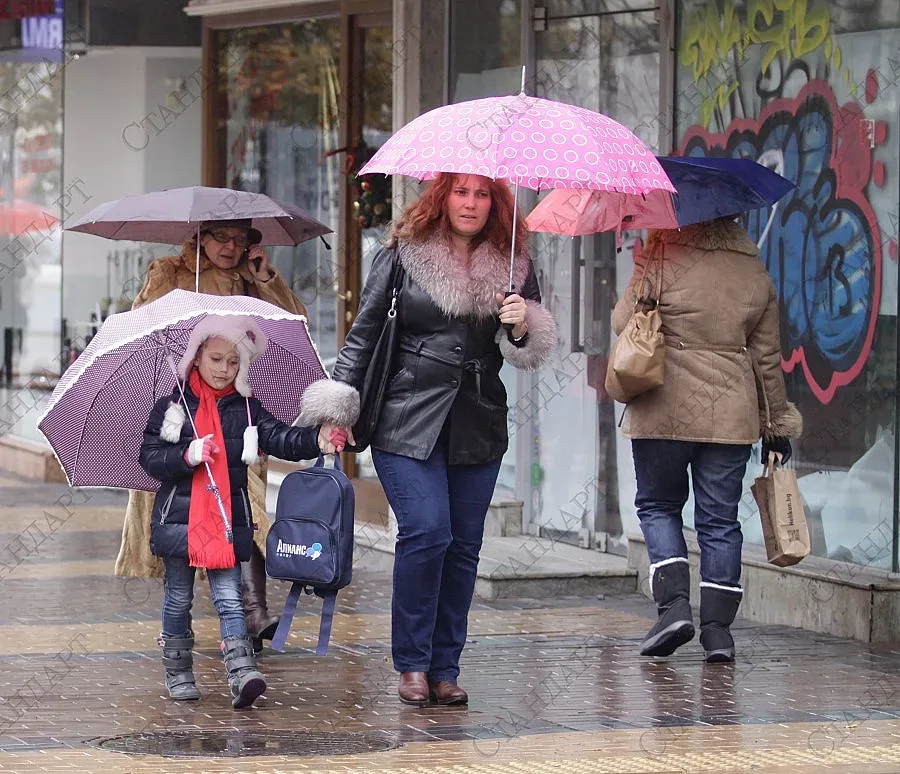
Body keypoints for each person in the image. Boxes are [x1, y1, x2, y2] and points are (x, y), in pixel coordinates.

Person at [298, 173, 557, 705]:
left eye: (482, 194)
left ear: (495, 203)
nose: (471, 203)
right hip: (405, 415)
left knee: (463, 547)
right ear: (443, 198)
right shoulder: (402, 254)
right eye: (461, 192)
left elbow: (525, 347)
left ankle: (445, 667)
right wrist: (338, 407)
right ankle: (412, 662)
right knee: (427, 531)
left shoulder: (515, 262)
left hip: (477, 420)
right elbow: (364, 332)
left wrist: (521, 321)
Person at [612, 216, 802, 663]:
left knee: (659, 506)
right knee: (719, 521)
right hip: (730, 416)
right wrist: (775, 424)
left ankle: (674, 607)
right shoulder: (753, 270)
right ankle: (718, 632)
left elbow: (624, 321)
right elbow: (767, 358)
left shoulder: (660, 256)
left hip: (662, 405)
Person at [116, 219, 307, 651]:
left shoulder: (252, 280)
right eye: (222, 237)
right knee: (181, 519)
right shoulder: (169, 271)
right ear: (201, 238)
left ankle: (251, 611)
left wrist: (267, 282)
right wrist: (185, 306)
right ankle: (177, 623)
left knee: (244, 504)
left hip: (235, 410)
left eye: (240, 240)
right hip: (182, 412)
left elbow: (295, 322)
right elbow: (143, 326)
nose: (231, 247)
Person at [140, 315, 330, 707]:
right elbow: (150, 456)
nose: (224, 369)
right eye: (216, 359)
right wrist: (188, 453)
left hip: (226, 520)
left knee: (229, 595)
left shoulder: (246, 409)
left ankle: (242, 672)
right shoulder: (174, 407)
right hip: (181, 520)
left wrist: (317, 438)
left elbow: (281, 437)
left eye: (233, 362)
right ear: (196, 358)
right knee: (178, 598)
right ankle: (178, 672)